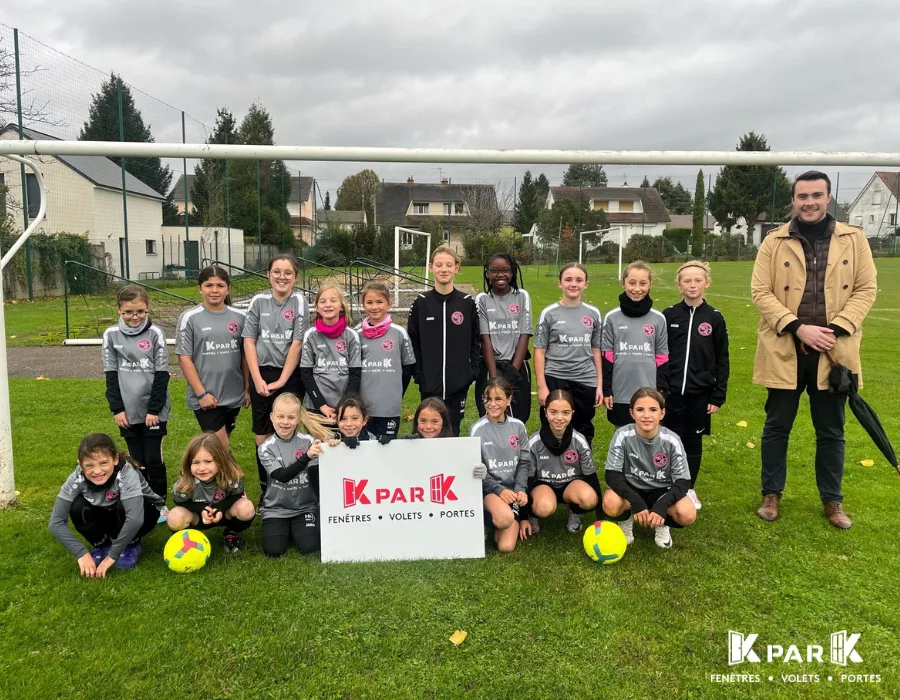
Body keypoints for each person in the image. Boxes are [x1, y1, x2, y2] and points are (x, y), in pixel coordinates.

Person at [751, 170, 877, 529]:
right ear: (793, 200)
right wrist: (799, 328)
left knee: (831, 430)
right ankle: (771, 494)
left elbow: (866, 289)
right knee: (777, 426)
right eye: (802, 196)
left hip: (834, 352)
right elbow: (761, 292)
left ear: (828, 198)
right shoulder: (774, 241)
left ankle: (833, 501)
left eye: (816, 196)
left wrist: (835, 330)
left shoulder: (854, 239)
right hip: (784, 348)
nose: (809, 202)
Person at [662, 261, 730, 510]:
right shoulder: (668, 315)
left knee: (692, 442)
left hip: (700, 395)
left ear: (706, 283)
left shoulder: (714, 318)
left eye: (697, 280)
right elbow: (659, 355)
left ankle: (688, 488)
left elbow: (722, 358)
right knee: (669, 440)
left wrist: (717, 396)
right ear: (678, 284)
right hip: (670, 394)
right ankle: (667, 484)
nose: (692, 285)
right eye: (687, 280)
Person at [48, 433, 163, 578]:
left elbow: (135, 519)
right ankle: (102, 545)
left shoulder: (127, 473)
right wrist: (81, 553)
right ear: (80, 464)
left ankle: (131, 545)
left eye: (103, 463)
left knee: (124, 506)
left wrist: (112, 556)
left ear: (115, 459)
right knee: (77, 506)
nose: (97, 471)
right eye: (89, 465)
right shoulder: (76, 478)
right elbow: (55, 523)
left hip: (144, 514)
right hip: (109, 514)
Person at [242, 254, 309, 495]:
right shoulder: (258, 301)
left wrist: (281, 380)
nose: (282, 277)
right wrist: (257, 379)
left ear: (295, 277)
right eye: (277, 272)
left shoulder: (299, 301)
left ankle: (294, 488)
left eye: (288, 272)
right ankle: (267, 490)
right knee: (263, 435)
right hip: (262, 373)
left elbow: (297, 343)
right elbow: (249, 342)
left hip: (289, 375)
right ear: (268, 274)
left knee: (290, 428)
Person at [602, 388, 696, 549]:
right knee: (610, 502)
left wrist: (663, 506)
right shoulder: (622, 435)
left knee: (687, 514)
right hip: (631, 488)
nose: (646, 415)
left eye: (653, 410)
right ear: (632, 413)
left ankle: (662, 524)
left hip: (661, 491)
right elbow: (612, 475)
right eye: (640, 410)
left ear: (662, 413)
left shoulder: (672, 440)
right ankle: (625, 522)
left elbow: (683, 481)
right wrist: (636, 501)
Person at [102, 285, 171, 501]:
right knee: (137, 460)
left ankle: (159, 503)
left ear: (147, 308)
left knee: (153, 459)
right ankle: (142, 500)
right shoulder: (111, 335)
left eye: (140, 311)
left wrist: (154, 410)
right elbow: (111, 376)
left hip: (153, 411)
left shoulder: (155, 333)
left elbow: (162, 375)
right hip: (127, 411)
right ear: (118, 310)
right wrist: (118, 409)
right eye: (129, 312)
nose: (135, 316)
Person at [408, 245, 480, 436]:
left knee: (452, 432)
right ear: (431, 267)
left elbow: (476, 342)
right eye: (439, 265)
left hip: (458, 386)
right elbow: (412, 343)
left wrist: (470, 373)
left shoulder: (466, 302)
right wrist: (420, 375)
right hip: (429, 386)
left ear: (457, 267)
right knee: (428, 432)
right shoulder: (421, 302)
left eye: (449, 265)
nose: (444, 269)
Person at [176, 266, 250, 450]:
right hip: (207, 397)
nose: (215, 290)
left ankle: (213, 477)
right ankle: (233, 477)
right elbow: (185, 359)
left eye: (220, 285)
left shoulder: (241, 317)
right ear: (200, 288)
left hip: (233, 394)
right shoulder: (189, 318)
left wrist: (247, 389)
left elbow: (245, 357)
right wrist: (201, 394)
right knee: (220, 447)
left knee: (220, 445)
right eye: (209, 285)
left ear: (228, 288)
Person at [258, 393, 338, 558]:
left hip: (305, 507)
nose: (285, 422)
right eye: (280, 416)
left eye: (291, 417)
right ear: (272, 417)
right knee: (274, 550)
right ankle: (283, 528)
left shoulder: (309, 441)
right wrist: (307, 456)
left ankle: (299, 527)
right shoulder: (265, 448)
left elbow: (324, 469)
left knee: (309, 547)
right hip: (276, 509)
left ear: (298, 419)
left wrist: (333, 445)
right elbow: (282, 476)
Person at [533, 263, 603, 446]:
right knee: (553, 424)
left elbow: (596, 351)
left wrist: (600, 385)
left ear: (586, 284)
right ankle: (552, 468)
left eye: (579, 280)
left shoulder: (593, 313)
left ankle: (581, 468)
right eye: (568, 279)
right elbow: (539, 351)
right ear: (560, 283)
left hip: (585, 379)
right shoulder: (549, 313)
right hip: (556, 377)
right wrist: (542, 386)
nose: (574, 284)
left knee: (583, 425)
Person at [523, 389, 600, 537]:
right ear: (545, 412)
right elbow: (528, 480)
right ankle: (534, 516)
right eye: (553, 412)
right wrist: (524, 516)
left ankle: (574, 512)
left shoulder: (580, 441)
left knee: (590, 499)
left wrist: (601, 518)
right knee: (543, 507)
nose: (559, 418)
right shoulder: (534, 443)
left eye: (565, 412)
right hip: (543, 486)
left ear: (572, 413)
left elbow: (591, 477)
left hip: (570, 486)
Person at [602, 261, 669, 428]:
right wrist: (607, 390)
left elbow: (662, 358)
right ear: (623, 282)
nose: (637, 288)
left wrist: (661, 390)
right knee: (622, 434)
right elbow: (607, 357)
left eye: (643, 283)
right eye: (632, 283)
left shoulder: (658, 319)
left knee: (649, 434)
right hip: (620, 391)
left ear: (650, 284)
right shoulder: (612, 318)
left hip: (650, 391)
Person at [166, 433, 256, 553]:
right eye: (196, 462)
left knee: (246, 508)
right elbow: (179, 501)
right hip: (197, 517)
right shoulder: (185, 481)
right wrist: (202, 509)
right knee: (174, 517)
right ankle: (189, 542)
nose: (202, 468)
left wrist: (219, 508)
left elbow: (237, 494)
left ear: (220, 461)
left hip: (224, 514)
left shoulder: (230, 475)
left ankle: (231, 534)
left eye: (208, 461)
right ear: (188, 464)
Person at [469, 377, 530, 553]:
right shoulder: (477, 430)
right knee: (504, 518)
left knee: (506, 546)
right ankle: (491, 517)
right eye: (488, 399)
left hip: (512, 494)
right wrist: (499, 490)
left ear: (509, 400)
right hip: (491, 491)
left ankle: (503, 519)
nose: (492, 404)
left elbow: (524, 462)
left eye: (498, 399)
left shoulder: (518, 427)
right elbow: (477, 471)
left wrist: (520, 490)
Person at [474, 253, 533, 423]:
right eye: (495, 271)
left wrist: (513, 372)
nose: (500, 275)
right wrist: (495, 379)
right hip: (490, 367)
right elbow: (485, 339)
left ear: (513, 272)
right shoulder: (482, 299)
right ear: (487, 274)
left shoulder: (522, 296)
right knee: (491, 414)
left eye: (505, 270)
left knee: (519, 416)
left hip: (517, 366)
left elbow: (524, 334)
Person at [356, 281, 416, 440]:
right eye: (369, 302)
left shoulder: (399, 333)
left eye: (379, 302)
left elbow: (408, 368)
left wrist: (397, 393)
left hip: (389, 407)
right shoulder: (357, 335)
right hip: (363, 408)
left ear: (389, 304)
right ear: (363, 305)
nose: (374, 306)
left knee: (387, 451)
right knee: (364, 451)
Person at [300, 283, 361, 419]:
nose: (328, 304)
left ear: (341, 306)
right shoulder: (310, 335)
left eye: (333, 300)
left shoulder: (351, 335)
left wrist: (345, 405)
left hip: (344, 406)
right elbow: (306, 373)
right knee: (318, 441)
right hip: (317, 406)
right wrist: (321, 405)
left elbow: (355, 374)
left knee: (344, 440)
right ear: (317, 308)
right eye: (323, 301)